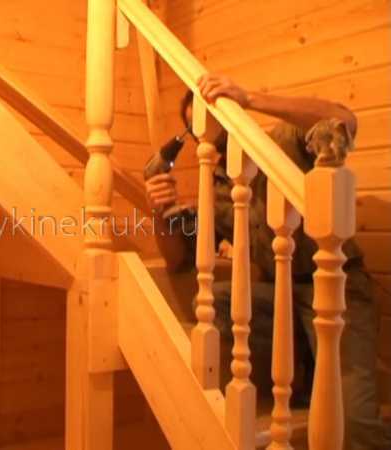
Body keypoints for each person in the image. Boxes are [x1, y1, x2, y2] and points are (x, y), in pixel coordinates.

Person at [145, 74, 391, 450]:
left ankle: (316, 370)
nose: (210, 131)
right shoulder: (218, 191)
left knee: (353, 423)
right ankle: (299, 364)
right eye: (200, 128)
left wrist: (251, 98)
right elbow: (179, 261)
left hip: (337, 290)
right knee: (214, 301)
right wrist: (159, 212)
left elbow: (344, 121)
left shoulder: (284, 142)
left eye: (215, 116)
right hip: (280, 297)